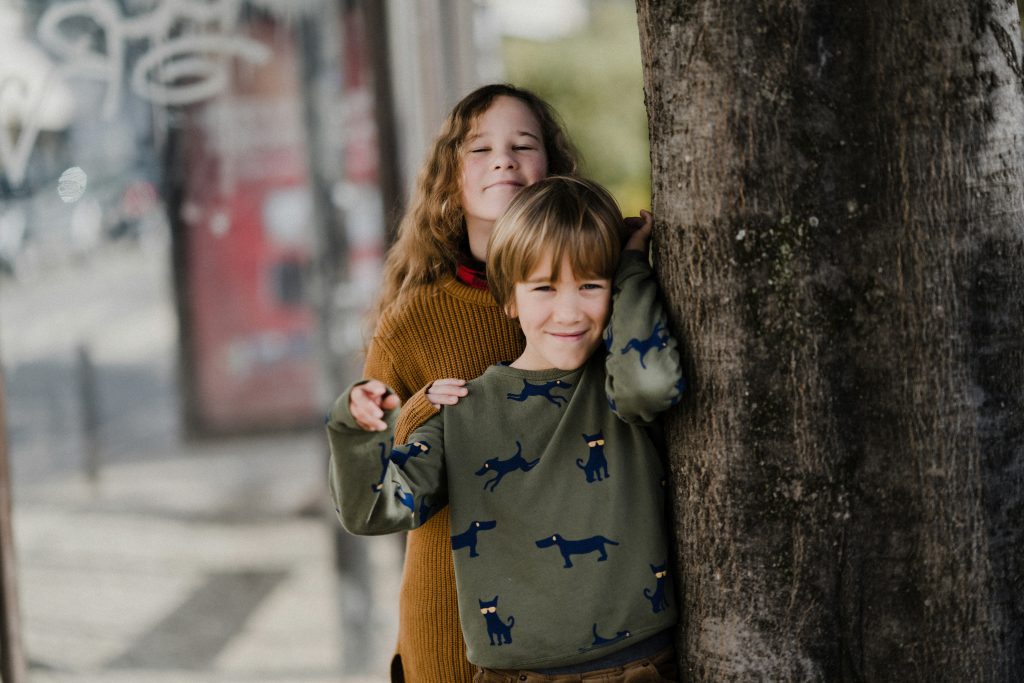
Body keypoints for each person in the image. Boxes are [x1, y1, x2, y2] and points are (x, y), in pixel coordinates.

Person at [329, 176, 683, 681]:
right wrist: (355, 429)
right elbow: (373, 511)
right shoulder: (461, 411)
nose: (569, 311)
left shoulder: (616, 386)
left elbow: (652, 384)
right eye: (543, 287)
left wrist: (631, 267)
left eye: (591, 284)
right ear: (509, 298)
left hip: (637, 668)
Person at [348, 84, 578, 682]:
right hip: (453, 615)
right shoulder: (414, 318)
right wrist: (425, 411)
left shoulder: (590, 297)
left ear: (551, 170)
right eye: (480, 149)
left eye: (524, 145)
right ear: (450, 181)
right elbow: (374, 480)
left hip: (579, 614)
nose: (504, 159)